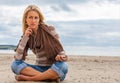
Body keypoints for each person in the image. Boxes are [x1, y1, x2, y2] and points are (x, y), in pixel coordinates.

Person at [11, 4, 68, 82]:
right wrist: (25, 37)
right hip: (38, 68)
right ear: (26, 20)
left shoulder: (50, 30)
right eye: (30, 17)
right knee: (15, 64)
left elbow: (61, 52)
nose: (33, 21)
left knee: (64, 66)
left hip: (53, 67)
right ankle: (49, 78)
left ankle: (31, 78)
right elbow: (18, 58)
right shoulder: (26, 35)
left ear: (39, 19)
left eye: (36, 17)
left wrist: (60, 56)